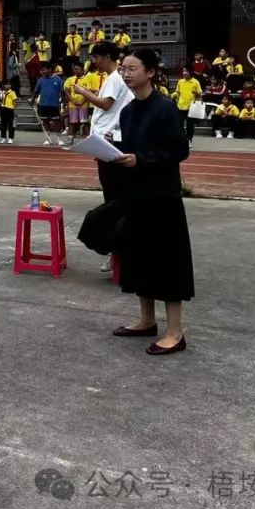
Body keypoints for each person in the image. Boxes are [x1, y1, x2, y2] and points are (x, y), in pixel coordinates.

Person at [110, 48, 194, 355]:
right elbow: (128, 148)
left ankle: (175, 332)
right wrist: (112, 150)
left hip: (163, 197)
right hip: (136, 195)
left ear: (150, 72)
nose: (126, 73)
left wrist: (142, 159)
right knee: (138, 257)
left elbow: (179, 151)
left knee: (168, 262)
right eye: (123, 69)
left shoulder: (165, 108)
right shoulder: (127, 111)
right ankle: (146, 320)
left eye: (132, 68)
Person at [73, 42, 134, 273]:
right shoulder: (114, 78)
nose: (92, 62)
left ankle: (116, 250)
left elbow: (105, 104)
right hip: (108, 141)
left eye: (95, 57)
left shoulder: (115, 77)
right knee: (113, 196)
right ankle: (116, 251)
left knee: (113, 198)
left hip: (111, 142)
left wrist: (82, 92)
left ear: (106, 56)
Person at [32, 64, 64, 146]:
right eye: (42, 70)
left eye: (44, 69)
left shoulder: (58, 79)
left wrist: (64, 102)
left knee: (57, 122)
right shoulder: (40, 80)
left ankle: (58, 139)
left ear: (50, 69)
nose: (42, 72)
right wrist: (32, 100)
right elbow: (36, 91)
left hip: (55, 104)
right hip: (43, 104)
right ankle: (48, 138)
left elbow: (62, 92)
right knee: (45, 121)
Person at [172, 68, 204, 144]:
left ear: (190, 72)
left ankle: (189, 139)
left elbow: (200, 94)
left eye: (186, 71)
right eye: (183, 71)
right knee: (179, 124)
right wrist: (172, 95)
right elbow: (178, 92)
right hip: (180, 105)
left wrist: (196, 93)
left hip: (191, 106)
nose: (184, 73)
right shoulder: (180, 81)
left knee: (190, 124)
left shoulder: (195, 82)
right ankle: (182, 138)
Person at [63, 63, 91, 144]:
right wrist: (72, 100)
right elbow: (66, 90)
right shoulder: (70, 79)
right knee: (72, 122)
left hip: (84, 104)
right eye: (75, 69)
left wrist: (82, 101)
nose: (76, 71)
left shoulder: (87, 79)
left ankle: (87, 139)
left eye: (78, 69)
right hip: (73, 104)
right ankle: (70, 139)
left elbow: (89, 91)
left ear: (82, 70)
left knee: (85, 122)